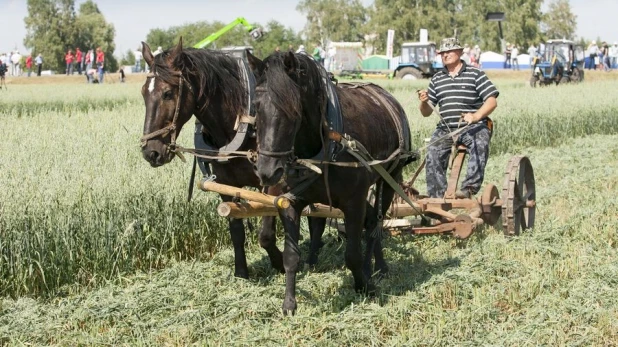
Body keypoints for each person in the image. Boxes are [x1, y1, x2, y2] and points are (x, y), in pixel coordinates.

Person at [417, 37, 499, 199]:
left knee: (479, 142)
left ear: (460, 52)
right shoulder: (437, 79)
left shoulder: (475, 74)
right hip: (446, 129)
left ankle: (469, 188)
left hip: (473, 126)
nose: (445, 55)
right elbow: (426, 112)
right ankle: (436, 198)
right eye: (442, 53)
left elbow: (492, 101)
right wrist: (424, 102)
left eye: (449, 51)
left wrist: (476, 116)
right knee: (433, 151)